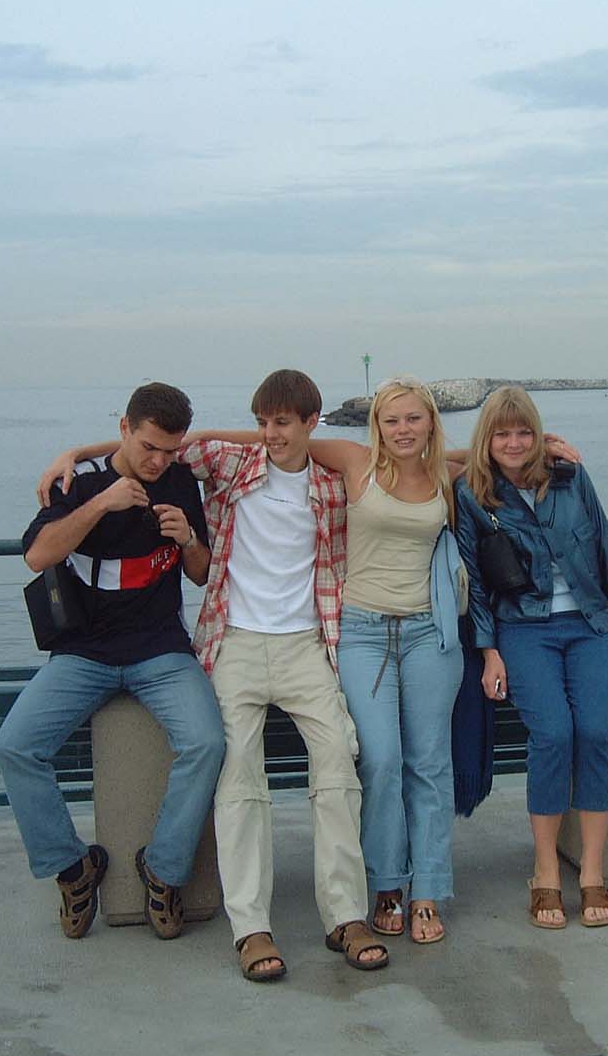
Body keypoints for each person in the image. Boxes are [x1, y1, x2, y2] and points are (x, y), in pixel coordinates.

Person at [39, 370, 388, 981]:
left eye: (284, 423)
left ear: (312, 423)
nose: (271, 434)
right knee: (238, 776)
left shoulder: (334, 484)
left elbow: (423, 463)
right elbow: (154, 446)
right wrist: (77, 452)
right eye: (263, 422)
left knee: (338, 761)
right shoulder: (231, 465)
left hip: (307, 645)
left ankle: (346, 915)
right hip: (235, 642)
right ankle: (251, 927)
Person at [0, 382, 226, 942]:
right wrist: (102, 503)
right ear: (124, 428)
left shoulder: (179, 480)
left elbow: (200, 574)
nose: (159, 461)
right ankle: (74, 869)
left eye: (169, 450)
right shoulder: (80, 482)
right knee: (16, 746)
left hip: (160, 648)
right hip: (85, 651)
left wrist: (189, 539)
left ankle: (164, 870)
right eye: (149, 447)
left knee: (207, 742)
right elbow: (38, 556)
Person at [454, 386, 608, 931]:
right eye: (502, 433)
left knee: (594, 733)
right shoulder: (473, 493)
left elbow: (607, 552)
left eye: (524, 432)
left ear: (539, 435)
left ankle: (592, 872)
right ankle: (544, 870)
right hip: (524, 628)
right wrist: (489, 652)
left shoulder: (571, 477)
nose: (514, 443)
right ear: (486, 439)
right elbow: (473, 583)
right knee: (553, 735)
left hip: (591, 625)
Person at [303, 377, 466, 944]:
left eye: (413, 418)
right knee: (381, 760)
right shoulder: (358, 463)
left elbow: (503, 450)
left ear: (430, 422)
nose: (402, 429)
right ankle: (386, 882)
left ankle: (427, 891)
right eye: (391, 420)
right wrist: (94, 450)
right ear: (376, 426)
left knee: (430, 763)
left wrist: (553, 447)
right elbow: (278, 438)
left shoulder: (446, 473)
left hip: (428, 633)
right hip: (363, 634)